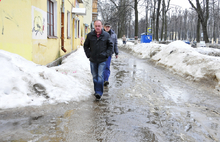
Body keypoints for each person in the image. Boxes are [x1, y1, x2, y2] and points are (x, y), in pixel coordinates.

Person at [83, 20, 113, 100]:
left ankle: (99, 92)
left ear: (102, 26)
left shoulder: (106, 35)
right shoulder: (90, 35)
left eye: (99, 26)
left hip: (102, 60)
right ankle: (96, 90)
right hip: (93, 59)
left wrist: (106, 54)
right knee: (95, 76)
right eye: (96, 26)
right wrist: (89, 54)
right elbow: (85, 46)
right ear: (94, 26)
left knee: (100, 76)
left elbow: (110, 46)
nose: (97, 27)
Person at [103, 22, 119, 86]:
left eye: (108, 27)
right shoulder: (101, 33)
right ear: (104, 27)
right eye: (106, 27)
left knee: (107, 66)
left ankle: (106, 80)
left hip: (109, 53)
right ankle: (101, 79)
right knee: (101, 67)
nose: (107, 28)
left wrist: (116, 53)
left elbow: (115, 44)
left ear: (110, 27)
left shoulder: (113, 35)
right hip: (101, 53)